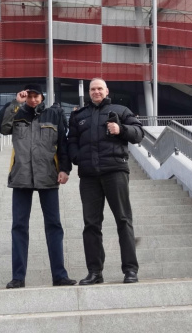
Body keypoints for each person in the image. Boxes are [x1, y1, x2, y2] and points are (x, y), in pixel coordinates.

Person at [0, 83, 76, 289]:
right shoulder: (18, 113)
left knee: (54, 226)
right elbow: (2, 127)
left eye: (36, 96)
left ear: (42, 97)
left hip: (48, 176)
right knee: (19, 227)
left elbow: (63, 144)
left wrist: (64, 169)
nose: (32, 99)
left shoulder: (53, 114)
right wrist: (15, 103)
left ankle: (60, 275)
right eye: (29, 96)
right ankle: (18, 277)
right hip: (21, 177)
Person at [67, 78, 143, 285]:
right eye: (93, 89)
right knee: (91, 224)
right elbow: (71, 140)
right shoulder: (78, 116)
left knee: (123, 220)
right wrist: (77, 158)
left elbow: (138, 133)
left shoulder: (121, 110)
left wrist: (122, 130)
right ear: (89, 92)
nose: (96, 92)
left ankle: (130, 270)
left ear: (106, 90)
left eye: (100, 88)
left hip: (115, 171)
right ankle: (95, 272)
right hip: (89, 176)